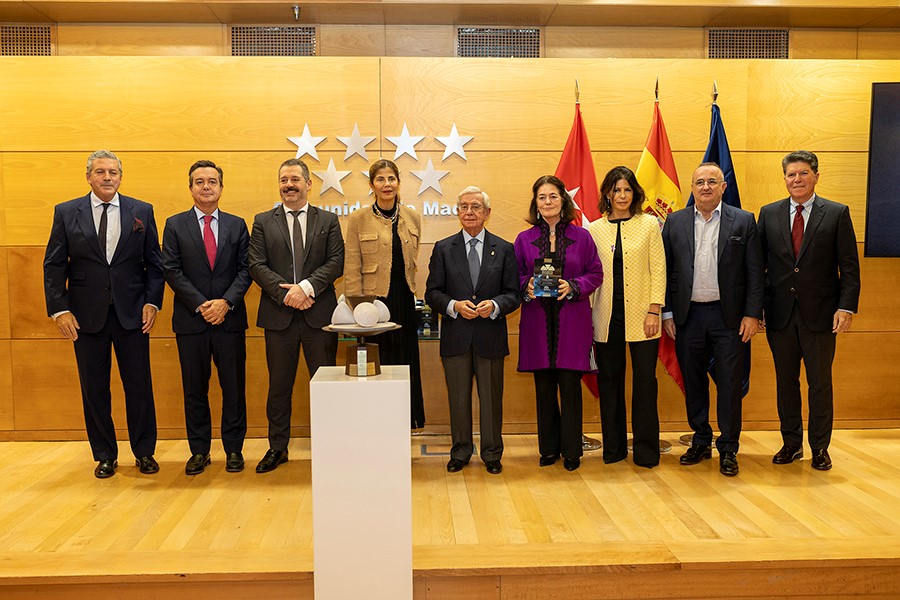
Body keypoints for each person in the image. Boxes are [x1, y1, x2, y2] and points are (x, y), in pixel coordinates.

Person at [43, 150, 164, 479]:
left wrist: (153, 302)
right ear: (88, 177)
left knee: (138, 385)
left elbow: (155, 263)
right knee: (94, 387)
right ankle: (105, 453)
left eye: (113, 172)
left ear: (121, 177)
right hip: (85, 316)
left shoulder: (141, 211)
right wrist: (60, 309)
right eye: (100, 172)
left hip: (133, 313)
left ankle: (144, 452)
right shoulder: (67, 212)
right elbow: (54, 265)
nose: (107, 177)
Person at [758, 150, 860, 471]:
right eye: (791, 175)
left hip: (821, 315)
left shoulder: (836, 213)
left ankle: (819, 447)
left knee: (819, 383)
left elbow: (850, 268)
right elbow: (758, 266)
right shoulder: (769, 213)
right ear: (784, 178)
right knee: (785, 381)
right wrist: (757, 307)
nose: (797, 180)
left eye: (803, 173)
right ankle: (791, 443)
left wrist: (846, 307)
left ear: (816, 175)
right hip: (780, 314)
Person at [662, 162, 764, 477]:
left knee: (730, 385)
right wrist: (667, 312)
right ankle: (701, 440)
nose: (705, 187)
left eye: (712, 181)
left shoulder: (744, 221)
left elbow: (755, 272)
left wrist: (752, 314)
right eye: (699, 182)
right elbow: (665, 271)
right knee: (693, 382)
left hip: (729, 317)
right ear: (692, 188)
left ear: (723, 186)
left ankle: (729, 449)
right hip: (688, 316)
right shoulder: (675, 222)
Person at [249, 158, 344, 473]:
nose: (288, 185)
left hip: (319, 317)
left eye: (294, 179)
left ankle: (331, 447)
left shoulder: (328, 220)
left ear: (308, 184)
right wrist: (286, 294)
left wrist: (306, 288)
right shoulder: (263, 220)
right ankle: (278, 448)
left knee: (326, 386)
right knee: (279, 386)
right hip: (279, 316)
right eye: (283, 180)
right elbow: (256, 264)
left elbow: (335, 262)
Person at [162, 160, 251, 475]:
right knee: (194, 389)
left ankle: (234, 449)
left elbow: (245, 269)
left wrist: (225, 302)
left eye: (212, 181)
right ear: (190, 188)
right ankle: (199, 451)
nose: (206, 187)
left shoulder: (237, 225)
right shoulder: (174, 225)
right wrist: (202, 305)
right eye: (199, 182)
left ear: (221, 188)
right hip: (192, 321)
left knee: (234, 388)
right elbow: (171, 270)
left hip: (229, 321)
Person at [425, 186, 521, 475]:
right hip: (456, 336)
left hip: (490, 337)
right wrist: (453, 305)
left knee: (492, 400)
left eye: (476, 206)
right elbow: (432, 293)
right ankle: (461, 451)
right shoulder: (443, 248)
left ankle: (492, 453)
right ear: (457, 212)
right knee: (458, 399)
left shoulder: (504, 249)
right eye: (464, 206)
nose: (469, 211)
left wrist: (494, 304)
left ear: (487, 213)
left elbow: (514, 293)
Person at [515, 175, 603, 471]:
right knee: (544, 388)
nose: (548, 202)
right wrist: (525, 285)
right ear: (535, 203)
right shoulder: (523, 239)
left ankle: (572, 451)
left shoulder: (583, 237)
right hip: (537, 322)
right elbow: (513, 275)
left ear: (563, 201)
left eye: (553, 196)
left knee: (569, 387)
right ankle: (548, 450)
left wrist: (574, 286)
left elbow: (596, 273)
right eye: (542, 197)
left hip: (573, 320)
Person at [588, 166, 666, 468]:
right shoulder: (594, 229)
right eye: (616, 190)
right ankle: (614, 449)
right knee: (609, 382)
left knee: (645, 383)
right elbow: (592, 274)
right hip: (605, 317)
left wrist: (654, 309)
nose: (621, 195)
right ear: (607, 193)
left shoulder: (649, 224)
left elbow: (658, 268)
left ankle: (646, 451)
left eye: (627, 190)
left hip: (643, 317)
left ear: (634, 194)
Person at [344, 159, 425, 430]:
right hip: (372, 303)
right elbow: (352, 265)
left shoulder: (412, 217)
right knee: (378, 362)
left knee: (405, 360)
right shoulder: (358, 219)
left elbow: (412, 262)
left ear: (398, 182)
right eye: (380, 179)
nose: (386, 184)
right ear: (371, 185)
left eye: (391, 178)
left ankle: (406, 419)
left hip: (403, 298)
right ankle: (377, 423)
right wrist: (357, 306)